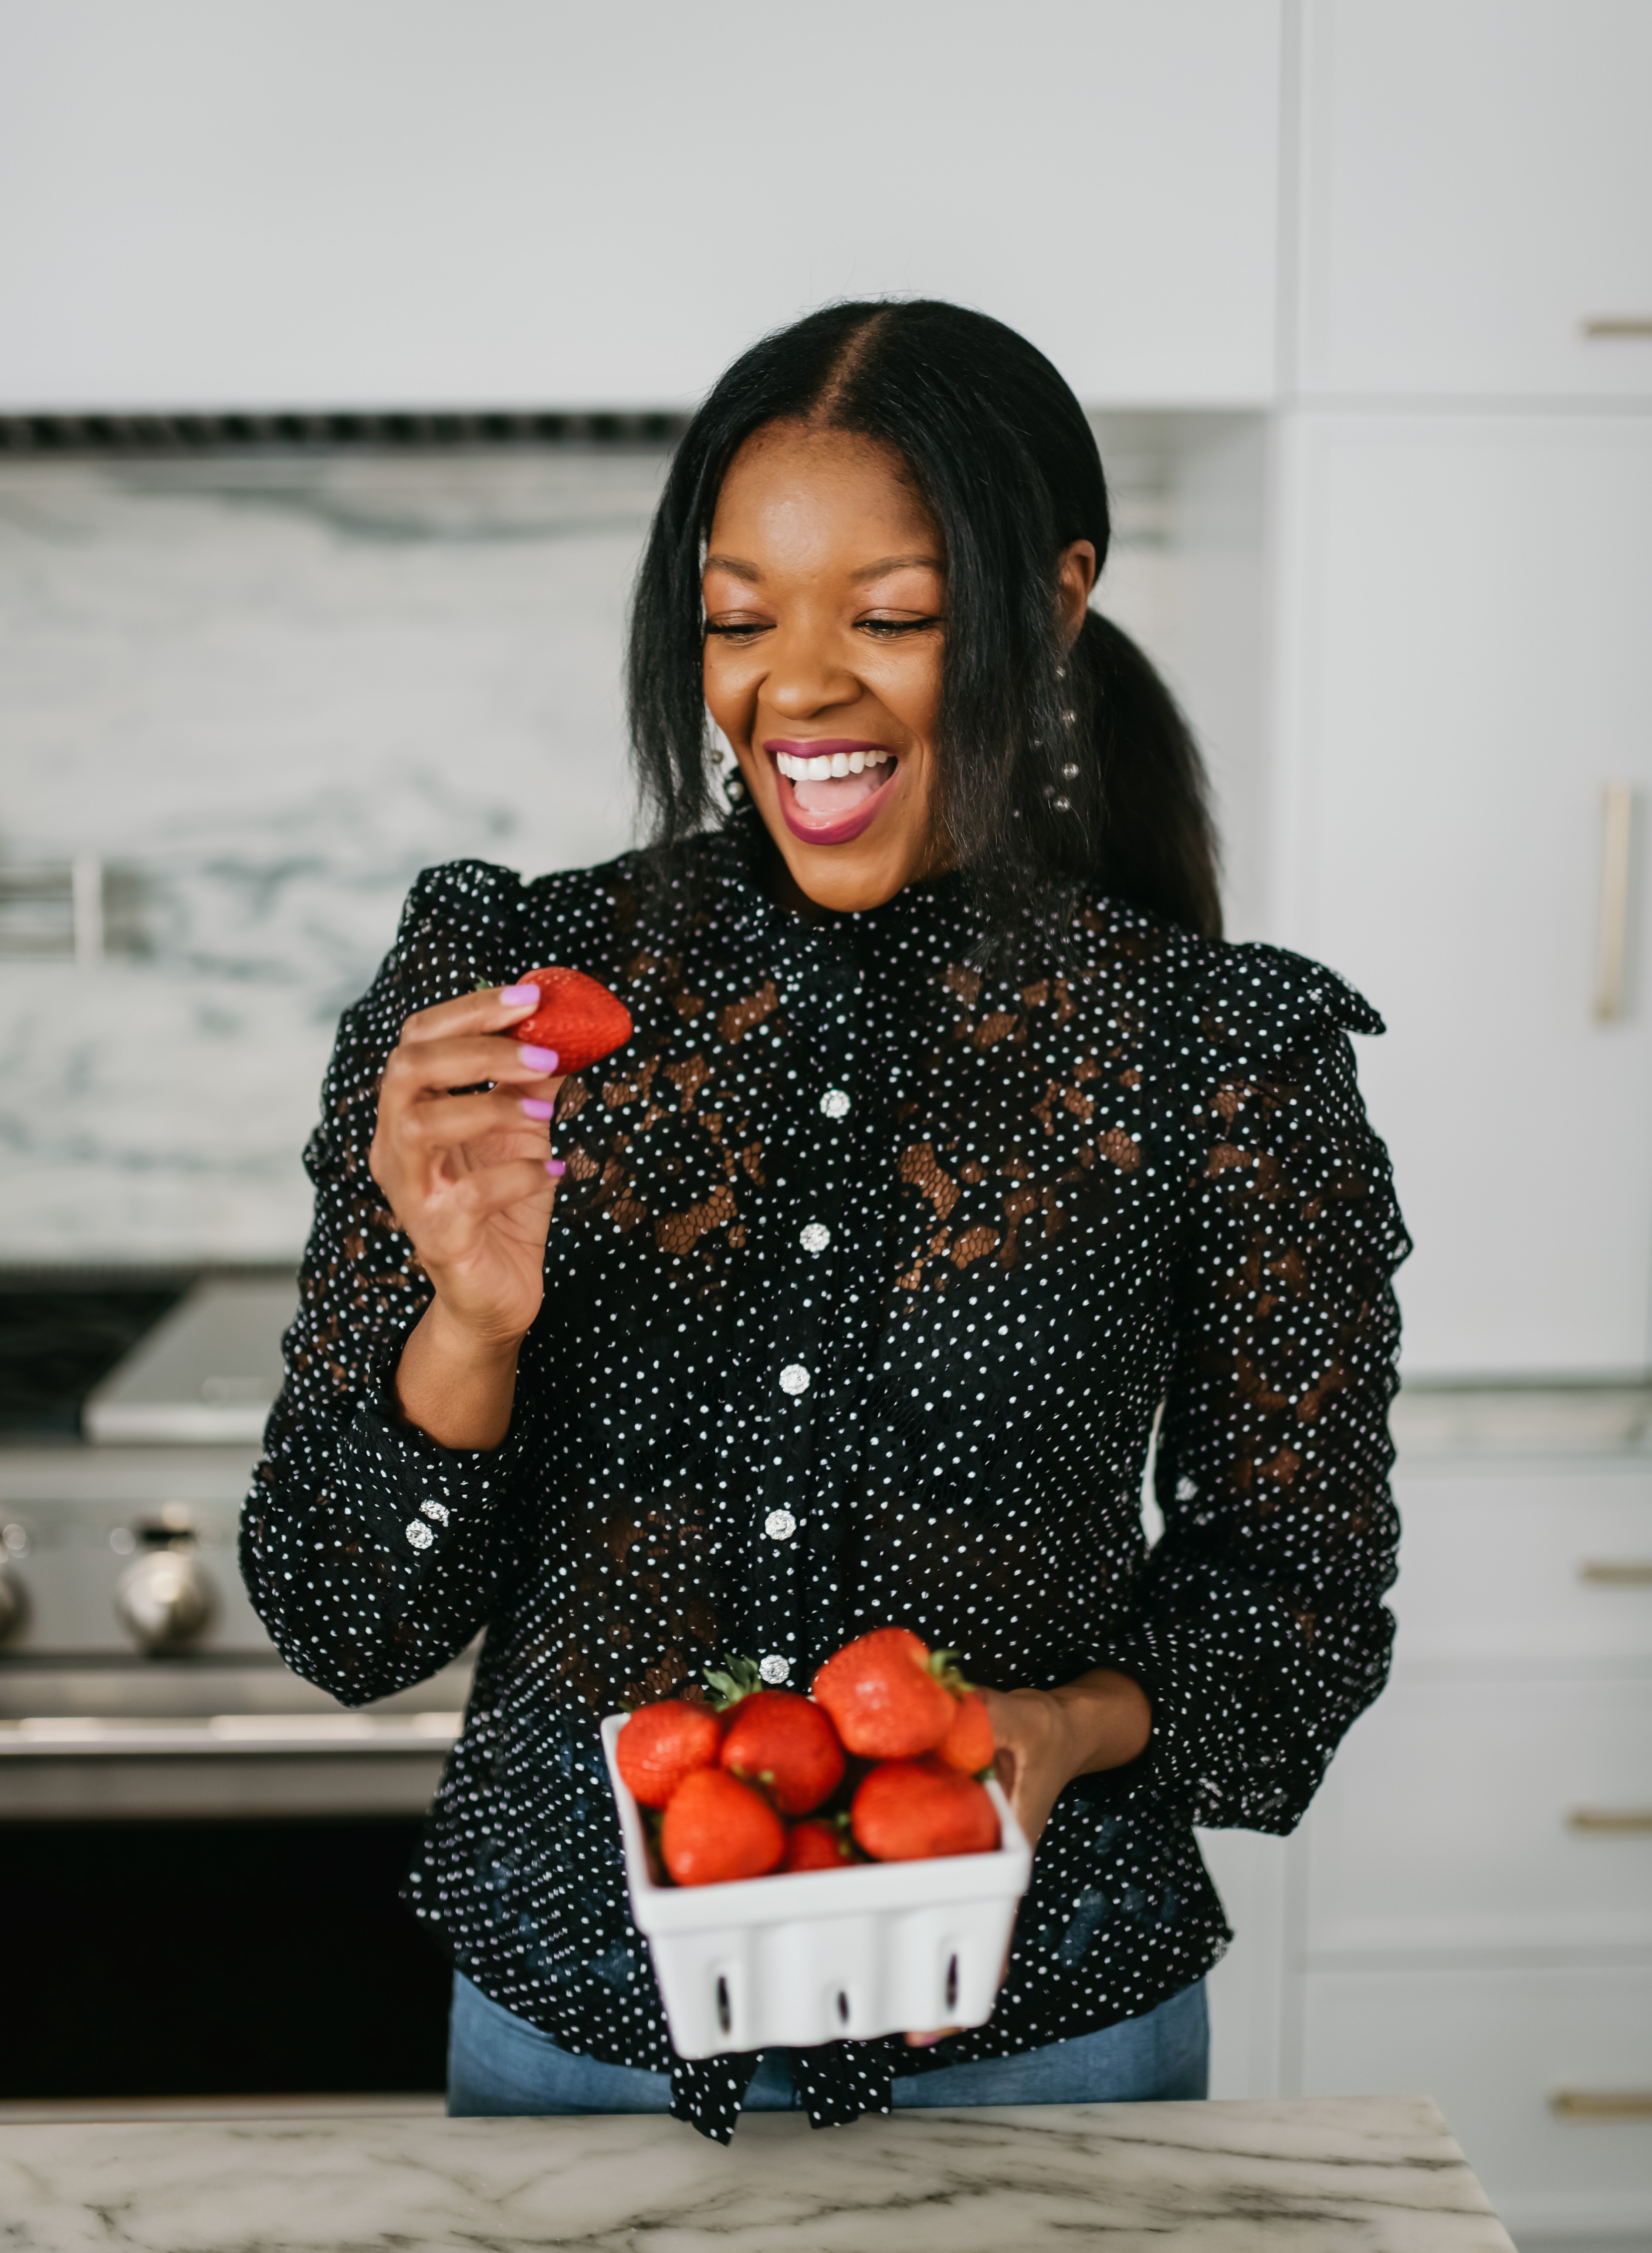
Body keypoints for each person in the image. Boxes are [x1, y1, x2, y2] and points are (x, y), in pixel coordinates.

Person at [241, 299, 1408, 2142]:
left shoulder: (1218, 1055)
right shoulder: (504, 1002)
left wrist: (1071, 1727)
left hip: (1048, 2034)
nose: (796, 687)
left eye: (891, 614)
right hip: (578, 2037)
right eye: (736, 617)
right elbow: (342, 1617)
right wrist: (465, 1326)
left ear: (1053, 600)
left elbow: (1297, 1620)